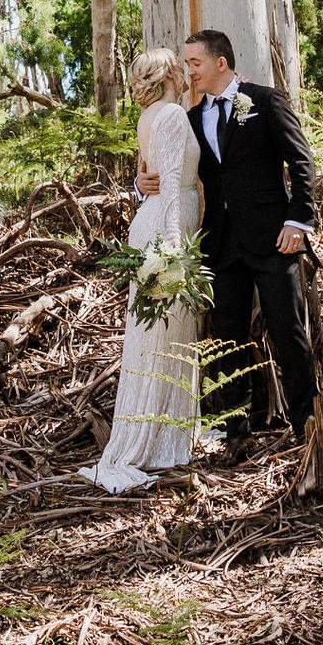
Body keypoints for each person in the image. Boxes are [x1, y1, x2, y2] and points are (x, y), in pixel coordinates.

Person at [176, 28, 317, 452]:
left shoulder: (265, 100)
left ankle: (307, 423)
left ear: (221, 63)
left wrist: (299, 219)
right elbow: (173, 167)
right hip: (221, 245)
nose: (189, 72)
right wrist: (142, 182)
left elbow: (301, 160)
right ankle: (237, 432)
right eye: (186, 64)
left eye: (195, 63)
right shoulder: (191, 119)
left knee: (288, 330)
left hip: (274, 239)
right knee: (227, 337)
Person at [82, 48, 203, 492]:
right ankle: (152, 442)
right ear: (169, 72)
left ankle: (167, 432)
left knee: (163, 334)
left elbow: (146, 177)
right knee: (162, 334)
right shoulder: (170, 114)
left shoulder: (151, 114)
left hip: (153, 222)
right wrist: (174, 243)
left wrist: (138, 189)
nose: (187, 71)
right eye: (181, 64)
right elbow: (169, 183)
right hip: (166, 230)